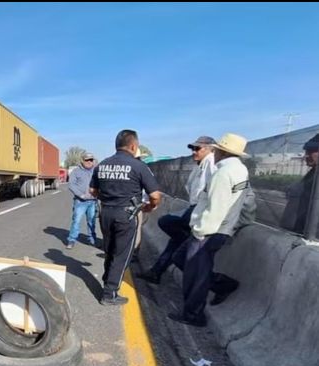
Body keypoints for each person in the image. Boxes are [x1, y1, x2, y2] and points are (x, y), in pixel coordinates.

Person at [169, 133, 251, 326]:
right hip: (219, 230)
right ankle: (222, 285)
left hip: (207, 232)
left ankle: (193, 315)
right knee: (189, 265)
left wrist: (199, 231)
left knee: (195, 276)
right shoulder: (239, 170)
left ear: (221, 151)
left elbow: (216, 207)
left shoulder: (223, 173)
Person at [90, 130, 161, 305]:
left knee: (110, 250)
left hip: (105, 213)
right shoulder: (139, 166)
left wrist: (108, 200)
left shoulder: (102, 165)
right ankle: (109, 293)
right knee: (122, 254)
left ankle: (108, 279)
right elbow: (156, 195)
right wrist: (149, 207)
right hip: (126, 214)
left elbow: (92, 191)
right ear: (133, 146)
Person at [138, 136, 217, 283]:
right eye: (193, 148)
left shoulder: (212, 164)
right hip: (194, 209)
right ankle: (156, 272)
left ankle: (221, 283)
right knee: (175, 239)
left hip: (200, 212)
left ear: (210, 148)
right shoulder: (201, 165)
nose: (194, 152)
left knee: (166, 223)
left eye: (197, 148)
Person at [66, 153, 98, 249]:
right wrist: (81, 195)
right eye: (87, 160)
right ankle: (71, 240)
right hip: (80, 201)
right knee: (76, 221)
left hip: (93, 201)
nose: (89, 162)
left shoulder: (96, 171)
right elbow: (71, 185)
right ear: (82, 161)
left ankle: (92, 239)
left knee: (92, 221)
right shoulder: (76, 171)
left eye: (91, 160)